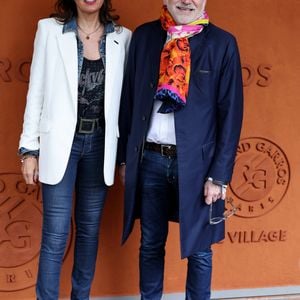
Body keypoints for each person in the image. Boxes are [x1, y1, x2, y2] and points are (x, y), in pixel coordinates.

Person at [118, 0, 243, 299]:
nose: (186, 0)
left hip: (200, 168)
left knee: (200, 250)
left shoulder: (223, 44)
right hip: (149, 159)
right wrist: (125, 158)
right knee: (150, 243)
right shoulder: (145, 37)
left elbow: (230, 115)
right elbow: (128, 101)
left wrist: (220, 176)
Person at [18, 0, 131, 299]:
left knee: (89, 232)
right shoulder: (49, 30)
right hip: (60, 146)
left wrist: (124, 158)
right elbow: (36, 91)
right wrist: (29, 149)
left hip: (100, 145)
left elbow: (125, 104)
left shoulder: (122, 37)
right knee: (55, 235)